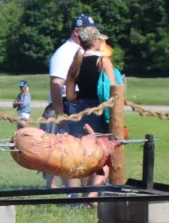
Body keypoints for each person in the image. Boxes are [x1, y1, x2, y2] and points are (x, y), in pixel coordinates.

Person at [43, 14, 94, 188]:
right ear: (77, 31)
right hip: (66, 105)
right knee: (70, 151)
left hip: (77, 105)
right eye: (89, 30)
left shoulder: (81, 51)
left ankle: (78, 191)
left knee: (79, 150)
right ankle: (72, 195)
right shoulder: (65, 52)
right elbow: (56, 84)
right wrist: (60, 114)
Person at [64, 26, 117, 189]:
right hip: (100, 111)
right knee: (105, 154)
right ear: (95, 42)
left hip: (80, 111)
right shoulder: (102, 61)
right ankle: (93, 194)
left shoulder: (75, 64)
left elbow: (71, 95)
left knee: (85, 155)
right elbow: (114, 89)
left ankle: (85, 191)